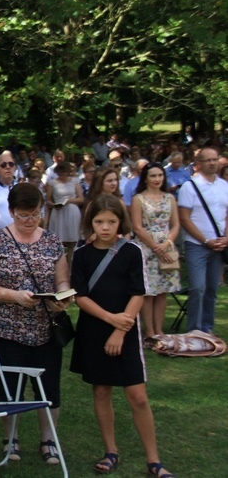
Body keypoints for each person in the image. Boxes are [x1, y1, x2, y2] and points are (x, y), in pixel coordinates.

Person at [70, 194, 172, 477]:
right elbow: (80, 296)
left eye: (111, 221)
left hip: (125, 329)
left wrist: (119, 328)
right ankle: (110, 451)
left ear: (120, 222)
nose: (105, 227)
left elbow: (138, 292)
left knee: (137, 394)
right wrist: (108, 319)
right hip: (94, 328)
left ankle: (154, 460)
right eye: (99, 221)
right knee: (101, 390)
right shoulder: (81, 253)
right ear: (90, 222)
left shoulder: (132, 251)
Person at [0, 183, 72, 465]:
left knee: (49, 386)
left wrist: (62, 297)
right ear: (11, 212)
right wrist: (13, 296)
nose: (30, 221)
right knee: (10, 387)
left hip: (46, 328)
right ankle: (10, 439)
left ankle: (48, 439)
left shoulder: (52, 241)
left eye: (36, 215)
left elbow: (62, 279)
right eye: (23, 216)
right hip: (8, 329)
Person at [177, 147, 228, 333]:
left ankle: (207, 329)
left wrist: (226, 238)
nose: (212, 163)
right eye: (208, 160)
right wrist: (206, 240)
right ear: (198, 164)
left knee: (212, 289)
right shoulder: (189, 187)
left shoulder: (224, 186)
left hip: (219, 245)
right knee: (198, 288)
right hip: (196, 244)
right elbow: (184, 218)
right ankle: (194, 330)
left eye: (215, 159)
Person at [131, 163, 180, 340]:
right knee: (148, 291)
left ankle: (160, 330)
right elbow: (137, 227)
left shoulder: (170, 198)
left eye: (160, 175)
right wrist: (154, 246)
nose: (157, 179)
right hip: (146, 247)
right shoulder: (138, 199)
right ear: (145, 178)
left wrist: (167, 242)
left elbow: (175, 225)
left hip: (166, 246)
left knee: (162, 291)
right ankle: (149, 331)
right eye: (153, 176)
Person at [45, 162, 83, 266]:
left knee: (72, 241)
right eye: (60, 173)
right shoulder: (52, 183)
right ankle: (59, 266)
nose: (62, 175)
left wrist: (69, 201)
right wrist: (54, 204)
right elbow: (48, 200)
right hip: (58, 213)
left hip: (72, 212)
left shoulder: (75, 181)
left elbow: (81, 199)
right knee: (58, 242)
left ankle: (70, 267)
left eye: (64, 173)